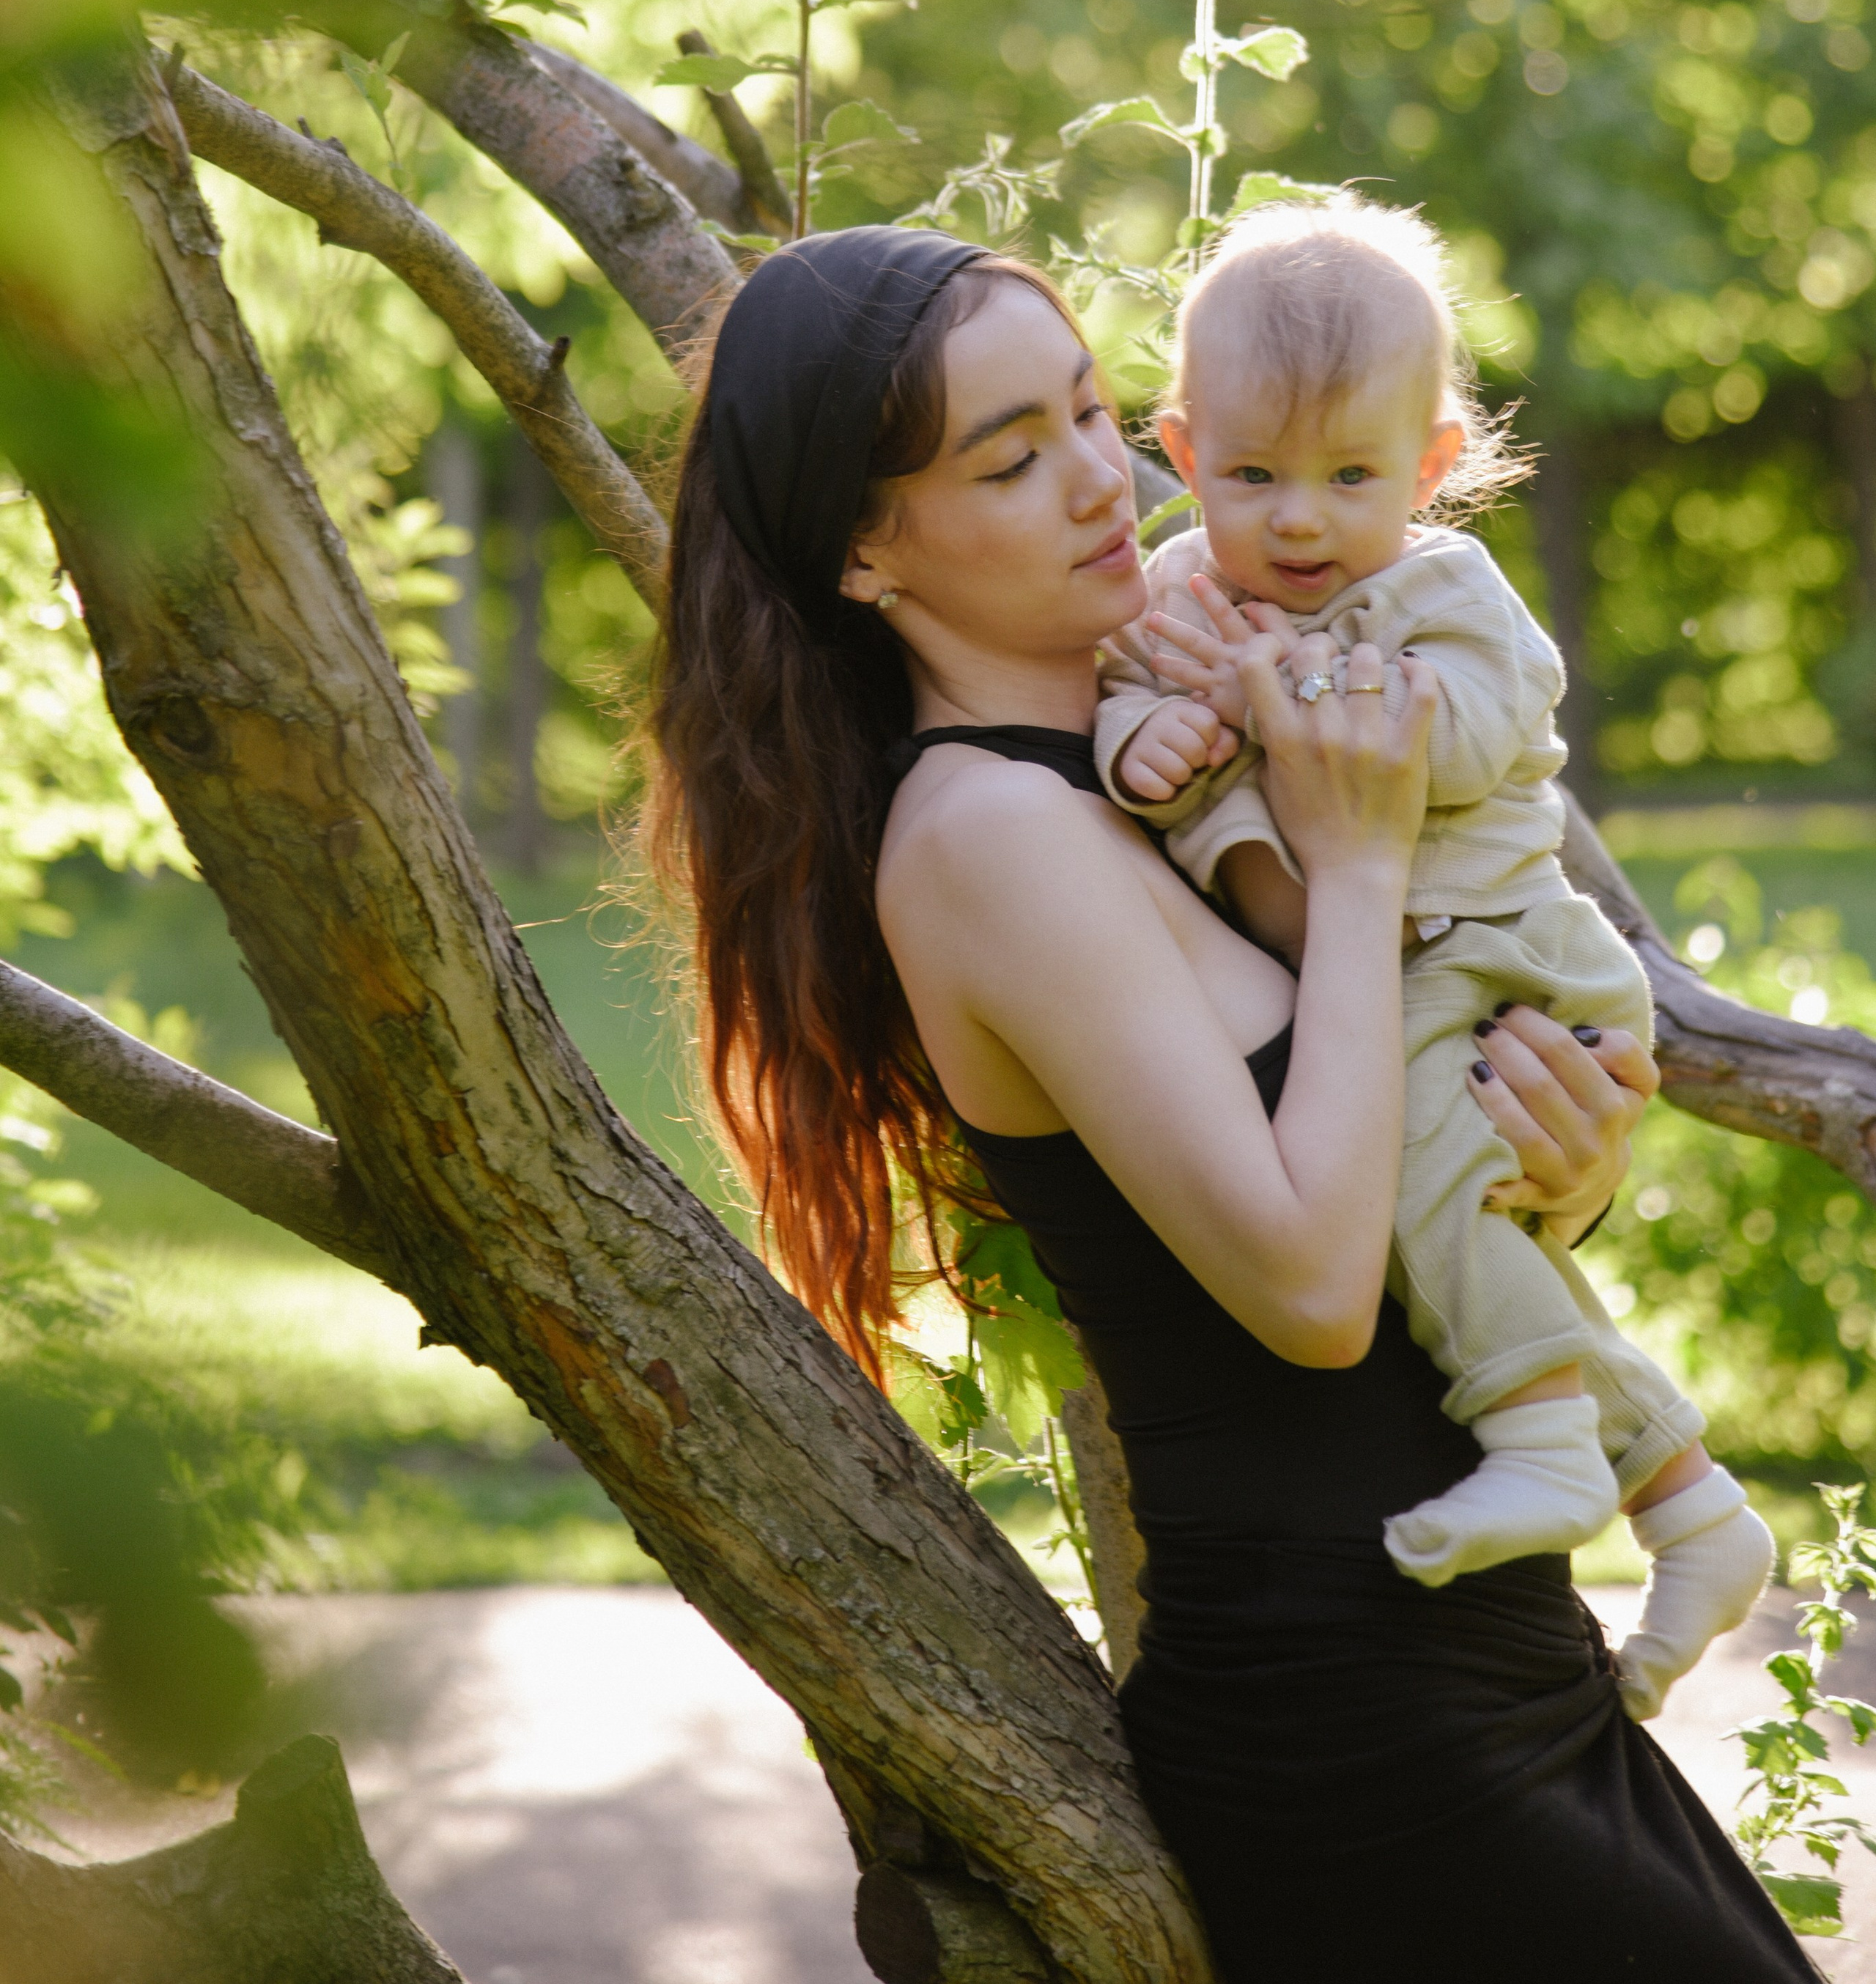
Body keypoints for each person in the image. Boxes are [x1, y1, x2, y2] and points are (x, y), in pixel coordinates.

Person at [645, 222, 1817, 1981]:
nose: (1097, 480)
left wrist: (1552, 1155)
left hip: (1485, 1675)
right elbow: (1304, 1285)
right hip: (1359, 1738)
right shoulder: (986, 837)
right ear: (867, 549)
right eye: (1008, 455)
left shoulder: (1148, 764)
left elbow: (1365, 1138)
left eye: (1092, 414)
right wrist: (1351, 866)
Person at [1093, 192, 1773, 1716]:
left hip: (1505, 953)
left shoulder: (1442, 592)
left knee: (1404, 1179)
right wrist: (1152, 739)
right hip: (1403, 960)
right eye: (1253, 473)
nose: (1299, 520)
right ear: (1185, 449)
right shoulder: (1166, 595)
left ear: (1432, 464)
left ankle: (1540, 1449)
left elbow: (1468, 735)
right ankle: (1689, 1503)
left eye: (1350, 475)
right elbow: (1122, 718)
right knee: (1445, 1229)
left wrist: (1279, 694)